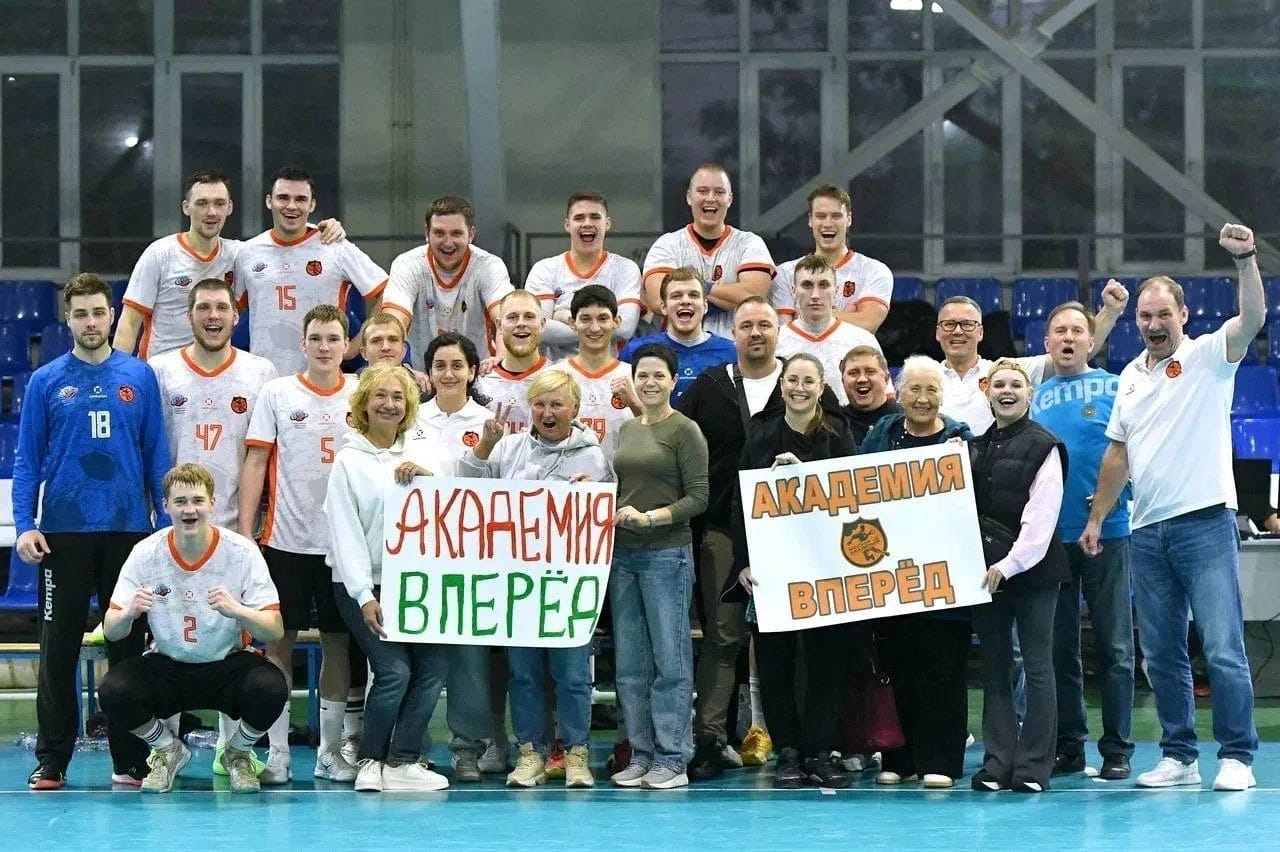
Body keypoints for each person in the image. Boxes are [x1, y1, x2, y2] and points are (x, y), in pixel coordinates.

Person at [1080, 224, 1265, 792]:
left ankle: (1237, 756)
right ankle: (1179, 756)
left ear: (1183, 315)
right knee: (1159, 655)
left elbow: (1253, 318)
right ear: (1135, 321)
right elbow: (1118, 453)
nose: (1154, 323)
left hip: (1206, 524)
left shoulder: (1210, 356)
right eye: (1145, 316)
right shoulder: (1130, 377)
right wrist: (1097, 518)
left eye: (1164, 314)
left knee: (1223, 648)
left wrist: (1245, 260)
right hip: (1146, 531)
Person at [16, 272, 173, 791]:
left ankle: (130, 760)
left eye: (98, 312)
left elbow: (157, 456)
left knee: (127, 651)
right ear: (68, 319)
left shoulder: (140, 376)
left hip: (129, 535)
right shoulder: (45, 381)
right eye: (80, 313)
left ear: (112, 316)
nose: (90, 322)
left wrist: (164, 527)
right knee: (57, 651)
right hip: (63, 536)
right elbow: (27, 461)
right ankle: (53, 759)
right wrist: (25, 525)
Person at [458, 369, 614, 789]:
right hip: (518, 585)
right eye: (540, 404)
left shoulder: (594, 456)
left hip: (569, 587)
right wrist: (485, 445)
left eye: (556, 404)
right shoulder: (508, 449)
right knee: (523, 674)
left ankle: (577, 754)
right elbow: (464, 490)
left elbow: (606, 520)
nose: (547, 412)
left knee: (573, 676)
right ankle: (531, 754)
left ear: (574, 408)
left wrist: (593, 494)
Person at [148, 277, 279, 773]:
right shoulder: (161, 370)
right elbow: (152, 448)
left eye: (221, 307)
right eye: (203, 307)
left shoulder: (260, 371)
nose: (213, 316)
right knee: (170, 635)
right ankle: (165, 753)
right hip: (176, 527)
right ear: (189, 316)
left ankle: (234, 753)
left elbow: (262, 454)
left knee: (231, 638)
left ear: (235, 315)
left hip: (235, 528)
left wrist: (247, 528)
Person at [96, 463, 287, 794]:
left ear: (212, 503)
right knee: (113, 690)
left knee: (272, 687)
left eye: (197, 500)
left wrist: (238, 611)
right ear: (165, 505)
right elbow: (112, 631)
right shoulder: (145, 553)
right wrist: (129, 612)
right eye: (180, 501)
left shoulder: (242, 552)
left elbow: (275, 631)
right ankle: (167, 750)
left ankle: (238, 753)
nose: (189, 510)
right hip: (168, 665)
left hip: (227, 664)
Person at [727, 353, 857, 789]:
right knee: (775, 663)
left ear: (822, 388)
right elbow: (740, 501)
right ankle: (788, 752)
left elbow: (852, 495)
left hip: (827, 567)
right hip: (773, 566)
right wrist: (743, 561)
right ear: (781, 386)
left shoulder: (838, 433)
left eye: (808, 381)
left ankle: (819, 750)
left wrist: (809, 478)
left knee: (826, 663)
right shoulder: (761, 432)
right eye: (792, 380)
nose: (799, 388)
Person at [239, 304, 357, 785]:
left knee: (338, 644)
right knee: (278, 645)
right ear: (303, 343)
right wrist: (245, 533)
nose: (325, 347)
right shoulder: (277, 393)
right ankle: (279, 753)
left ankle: (330, 753)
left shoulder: (361, 392)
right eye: (316, 338)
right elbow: (255, 463)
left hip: (343, 547)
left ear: (346, 345)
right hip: (285, 542)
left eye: (333, 338)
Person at [677, 297, 792, 778]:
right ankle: (711, 739)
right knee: (724, 636)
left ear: (779, 330)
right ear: (733, 334)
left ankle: (796, 743)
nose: (756, 333)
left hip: (791, 534)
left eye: (765, 324)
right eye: (747, 325)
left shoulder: (800, 381)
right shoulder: (709, 386)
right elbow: (675, 436)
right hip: (724, 529)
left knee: (790, 638)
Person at [324, 364, 452, 792]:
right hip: (363, 586)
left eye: (398, 397)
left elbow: (452, 508)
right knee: (394, 671)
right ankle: (370, 760)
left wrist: (429, 481)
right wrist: (364, 594)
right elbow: (345, 536)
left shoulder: (426, 453)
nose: (389, 404)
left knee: (433, 668)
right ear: (363, 405)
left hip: (417, 581)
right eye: (380, 396)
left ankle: (402, 761)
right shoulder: (347, 462)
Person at [1030, 302, 1135, 781]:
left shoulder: (1117, 388)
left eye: (1077, 331)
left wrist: (1114, 499)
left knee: (1116, 648)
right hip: (1051, 539)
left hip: (1108, 533)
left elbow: (1135, 450)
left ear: (1092, 341)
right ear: (1047, 344)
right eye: (1060, 331)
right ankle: (1068, 746)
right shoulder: (1033, 397)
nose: (1068, 338)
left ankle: (1117, 749)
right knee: (1059, 650)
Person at [858, 356, 973, 788]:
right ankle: (899, 757)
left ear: (943, 396)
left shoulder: (961, 441)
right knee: (897, 666)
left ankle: (940, 760)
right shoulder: (881, 436)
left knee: (942, 668)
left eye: (931, 390)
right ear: (899, 393)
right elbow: (848, 487)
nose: (922, 398)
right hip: (889, 577)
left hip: (944, 578)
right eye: (914, 389)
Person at [609, 343, 710, 790]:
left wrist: (651, 518)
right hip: (623, 557)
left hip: (667, 555)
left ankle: (673, 757)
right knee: (631, 665)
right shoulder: (628, 429)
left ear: (673, 380)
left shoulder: (685, 429)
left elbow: (699, 497)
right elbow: (623, 487)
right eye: (642, 375)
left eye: (657, 375)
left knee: (671, 661)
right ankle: (642, 754)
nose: (649, 382)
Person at [969, 359, 1070, 794]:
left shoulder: (1046, 446)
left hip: (1034, 571)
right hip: (986, 574)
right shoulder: (973, 447)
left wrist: (1008, 566)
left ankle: (1032, 768)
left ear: (1030, 394)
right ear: (987, 392)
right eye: (999, 385)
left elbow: (1041, 520)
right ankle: (997, 764)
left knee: (1037, 665)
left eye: (1016, 384)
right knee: (995, 668)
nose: (1007, 391)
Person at [114, 170, 345, 359]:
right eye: (202, 203)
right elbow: (129, 323)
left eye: (219, 203)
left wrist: (325, 229)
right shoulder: (159, 254)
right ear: (186, 207)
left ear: (230, 207)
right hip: (161, 374)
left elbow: (286, 245)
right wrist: (118, 377)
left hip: (217, 376)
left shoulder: (241, 254)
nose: (211, 212)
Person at [410, 332, 499, 782]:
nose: (448, 374)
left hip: (472, 559)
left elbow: (501, 488)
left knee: (469, 659)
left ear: (473, 371)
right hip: (417, 555)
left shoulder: (489, 423)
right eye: (440, 365)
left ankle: (468, 748)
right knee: (419, 655)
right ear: (429, 372)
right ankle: (414, 748)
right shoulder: (410, 418)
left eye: (457, 365)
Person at [233, 166, 387, 375]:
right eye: (283, 198)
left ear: (312, 204)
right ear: (269, 201)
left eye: (300, 199)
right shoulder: (247, 252)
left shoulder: (334, 245)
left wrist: (355, 346)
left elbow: (388, 292)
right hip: (263, 378)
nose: (291, 206)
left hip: (322, 378)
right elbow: (233, 311)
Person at [936, 282, 1128, 433]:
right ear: (937, 332)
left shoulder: (1006, 372)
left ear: (980, 332)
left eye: (967, 324)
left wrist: (1110, 311)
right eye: (949, 324)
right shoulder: (924, 378)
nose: (958, 331)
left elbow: (1075, 352)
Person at [642, 163, 775, 339]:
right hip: (680, 348)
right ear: (689, 197)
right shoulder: (667, 244)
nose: (711, 198)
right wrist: (727, 295)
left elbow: (753, 299)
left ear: (730, 199)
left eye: (719, 192)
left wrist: (700, 288)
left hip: (737, 347)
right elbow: (659, 301)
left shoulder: (750, 243)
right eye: (702, 191)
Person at [384, 194, 514, 361]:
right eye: (439, 233)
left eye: (456, 233)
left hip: (478, 369)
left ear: (471, 234)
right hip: (418, 372)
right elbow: (393, 325)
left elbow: (506, 318)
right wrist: (400, 369)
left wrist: (501, 361)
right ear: (427, 233)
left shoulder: (489, 265)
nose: (447, 242)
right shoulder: (407, 264)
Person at [526, 191, 644, 361]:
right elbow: (538, 329)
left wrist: (562, 316)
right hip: (555, 373)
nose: (587, 223)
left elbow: (625, 328)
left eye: (595, 217)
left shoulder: (625, 269)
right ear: (567, 225)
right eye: (579, 218)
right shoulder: (544, 269)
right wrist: (601, 325)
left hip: (608, 372)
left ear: (607, 224)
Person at [771, 185, 893, 332]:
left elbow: (867, 324)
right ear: (810, 220)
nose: (828, 224)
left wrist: (805, 316)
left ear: (849, 219)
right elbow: (785, 333)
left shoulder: (874, 271)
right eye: (821, 216)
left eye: (836, 216)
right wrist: (845, 315)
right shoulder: (785, 273)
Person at [775, 254, 882, 403]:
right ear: (793, 291)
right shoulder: (775, 341)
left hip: (847, 418)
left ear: (836, 291)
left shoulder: (863, 340)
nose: (815, 295)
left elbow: (883, 401)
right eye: (807, 285)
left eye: (824, 285)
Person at [621, 267, 736, 401]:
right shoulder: (635, 351)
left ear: (705, 306)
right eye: (676, 296)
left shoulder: (732, 352)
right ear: (663, 307)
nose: (685, 301)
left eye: (693, 295)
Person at [554, 285, 641, 459]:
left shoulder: (635, 377)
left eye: (603, 318)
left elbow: (657, 434)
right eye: (586, 319)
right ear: (572, 323)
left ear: (617, 322)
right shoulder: (555, 376)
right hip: (566, 475)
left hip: (622, 475)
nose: (594, 328)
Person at [474, 289, 553, 435]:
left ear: (542, 324)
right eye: (512, 317)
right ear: (499, 325)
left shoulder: (558, 380)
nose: (521, 323)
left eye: (529, 316)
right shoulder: (481, 383)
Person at [840, 345, 902, 445]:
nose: (862, 379)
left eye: (870, 372)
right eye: (853, 373)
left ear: (886, 379)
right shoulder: (833, 425)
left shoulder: (907, 418)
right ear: (843, 381)